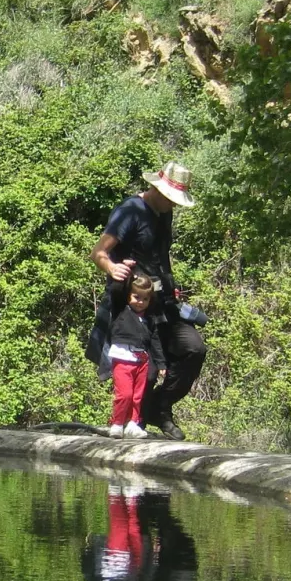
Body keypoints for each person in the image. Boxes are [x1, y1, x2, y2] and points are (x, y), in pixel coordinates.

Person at [87, 161, 207, 440]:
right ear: (156, 188)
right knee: (146, 371)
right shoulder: (130, 211)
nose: (173, 206)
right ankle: (133, 424)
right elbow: (99, 253)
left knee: (193, 348)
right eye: (171, 199)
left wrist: (170, 285)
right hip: (134, 304)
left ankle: (159, 407)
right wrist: (113, 269)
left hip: (163, 301)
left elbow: (159, 255)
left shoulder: (164, 213)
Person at [104, 274, 164, 439]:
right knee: (125, 394)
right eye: (136, 297)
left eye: (145, 299)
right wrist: (127, 275)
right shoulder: (121, 310)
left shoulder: (149, 319)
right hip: (122, 359)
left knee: (138, 395)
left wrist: (161, 364)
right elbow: (116, 290)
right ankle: (117, 423)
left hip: (141, 360)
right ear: (129, 295)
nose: (140, 301)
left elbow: (155, 341)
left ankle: (133, 423)